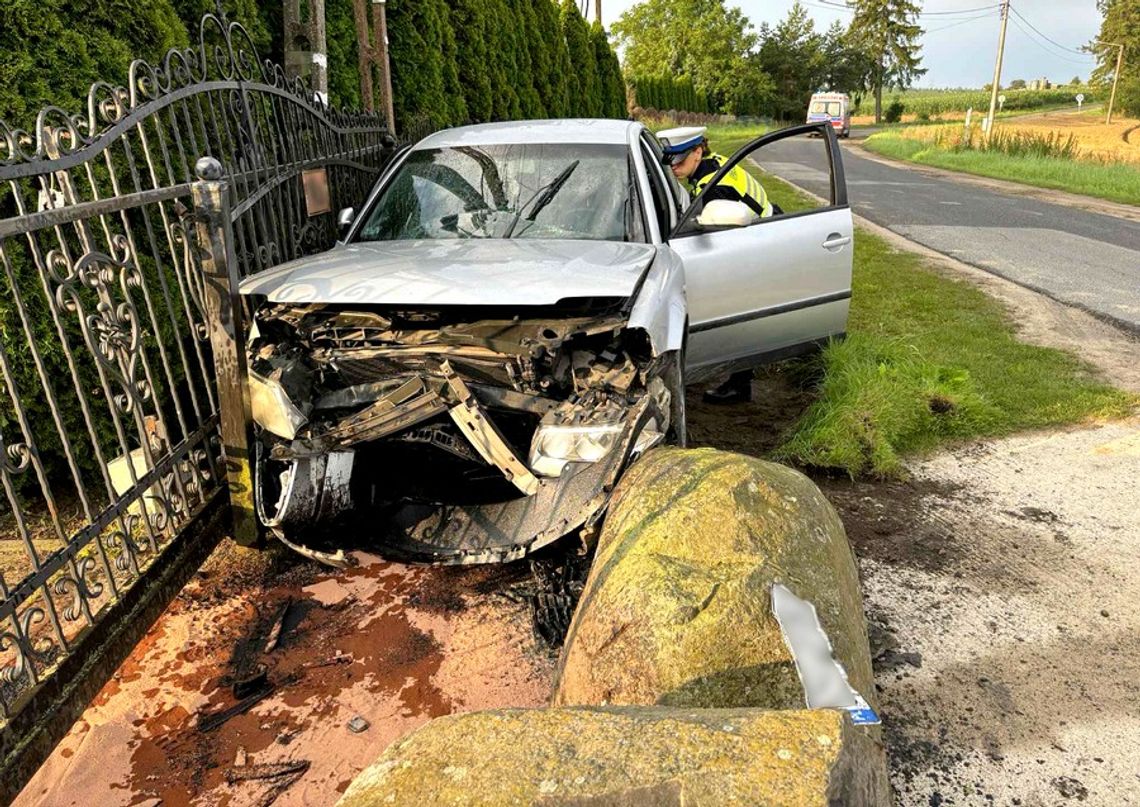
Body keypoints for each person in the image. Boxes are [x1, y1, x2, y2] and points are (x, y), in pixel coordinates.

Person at [657, 126, 780, 404]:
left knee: (736, 308)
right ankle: (739, 378)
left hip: (759, 242)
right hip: (764, 230)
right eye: (670, 161)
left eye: (679, 160)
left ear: (698, 151)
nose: (673, 167)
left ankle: (739, 384)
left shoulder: (715, 188)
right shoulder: (713, 167)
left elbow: (721, 233)